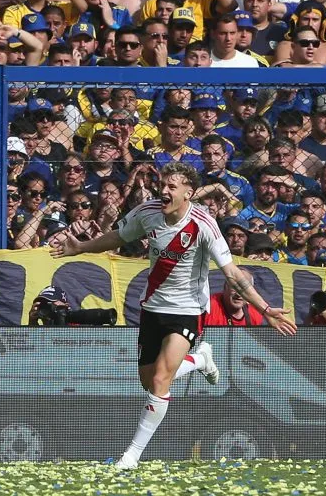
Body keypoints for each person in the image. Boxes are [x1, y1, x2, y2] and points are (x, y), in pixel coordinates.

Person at [51, 161, 296, 469]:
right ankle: (199, 360)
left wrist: (264, 308)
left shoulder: (204, 225)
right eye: (162, 185)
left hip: (188, 310)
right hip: (153, 306)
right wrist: (81, 248)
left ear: (188, 193)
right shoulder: (147, 212)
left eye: (171, 186)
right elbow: (118, 236)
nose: (163, 191)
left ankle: (131, 456)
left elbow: (232, 273)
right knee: (148, 381)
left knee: (160, 380)